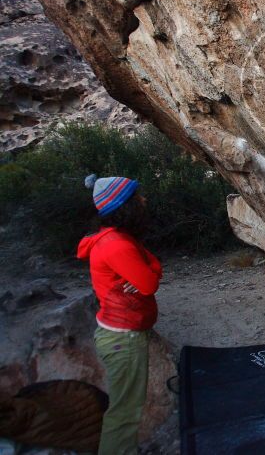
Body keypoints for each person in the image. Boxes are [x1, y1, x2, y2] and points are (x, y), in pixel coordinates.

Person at [76, 174, 162, 455]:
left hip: (119, 333)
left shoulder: (118, 239)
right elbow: (150, 283)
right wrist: (148, 271)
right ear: (125, 206)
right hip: (123, 339)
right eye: (138, 197)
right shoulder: (117, 244)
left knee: (125, 409)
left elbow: (153, 270)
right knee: (124, 414)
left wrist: (148, 269)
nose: (144, 200)